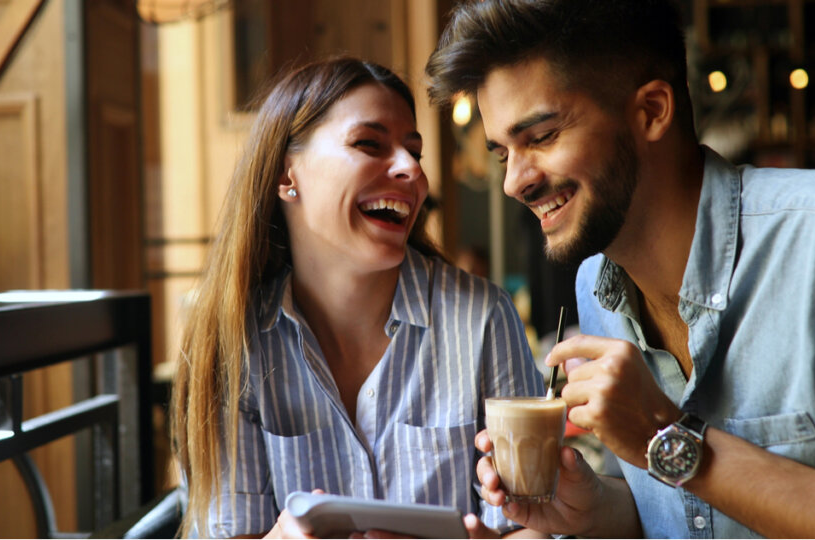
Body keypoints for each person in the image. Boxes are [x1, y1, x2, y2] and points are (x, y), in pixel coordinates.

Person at [424, 0, 815, 537]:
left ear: (652, 111)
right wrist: (590, 510)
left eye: (540, 137)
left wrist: (669, 438)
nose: (513, 182)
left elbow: (664, 449)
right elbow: (675, 515)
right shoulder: (595, 285)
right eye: (503, 153)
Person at [169, 56, 544, 538]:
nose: (411, 169)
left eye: (415, 151)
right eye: (369, 143)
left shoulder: (483, 318)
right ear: (288, 175)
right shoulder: (236, 342)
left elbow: (534, 523)